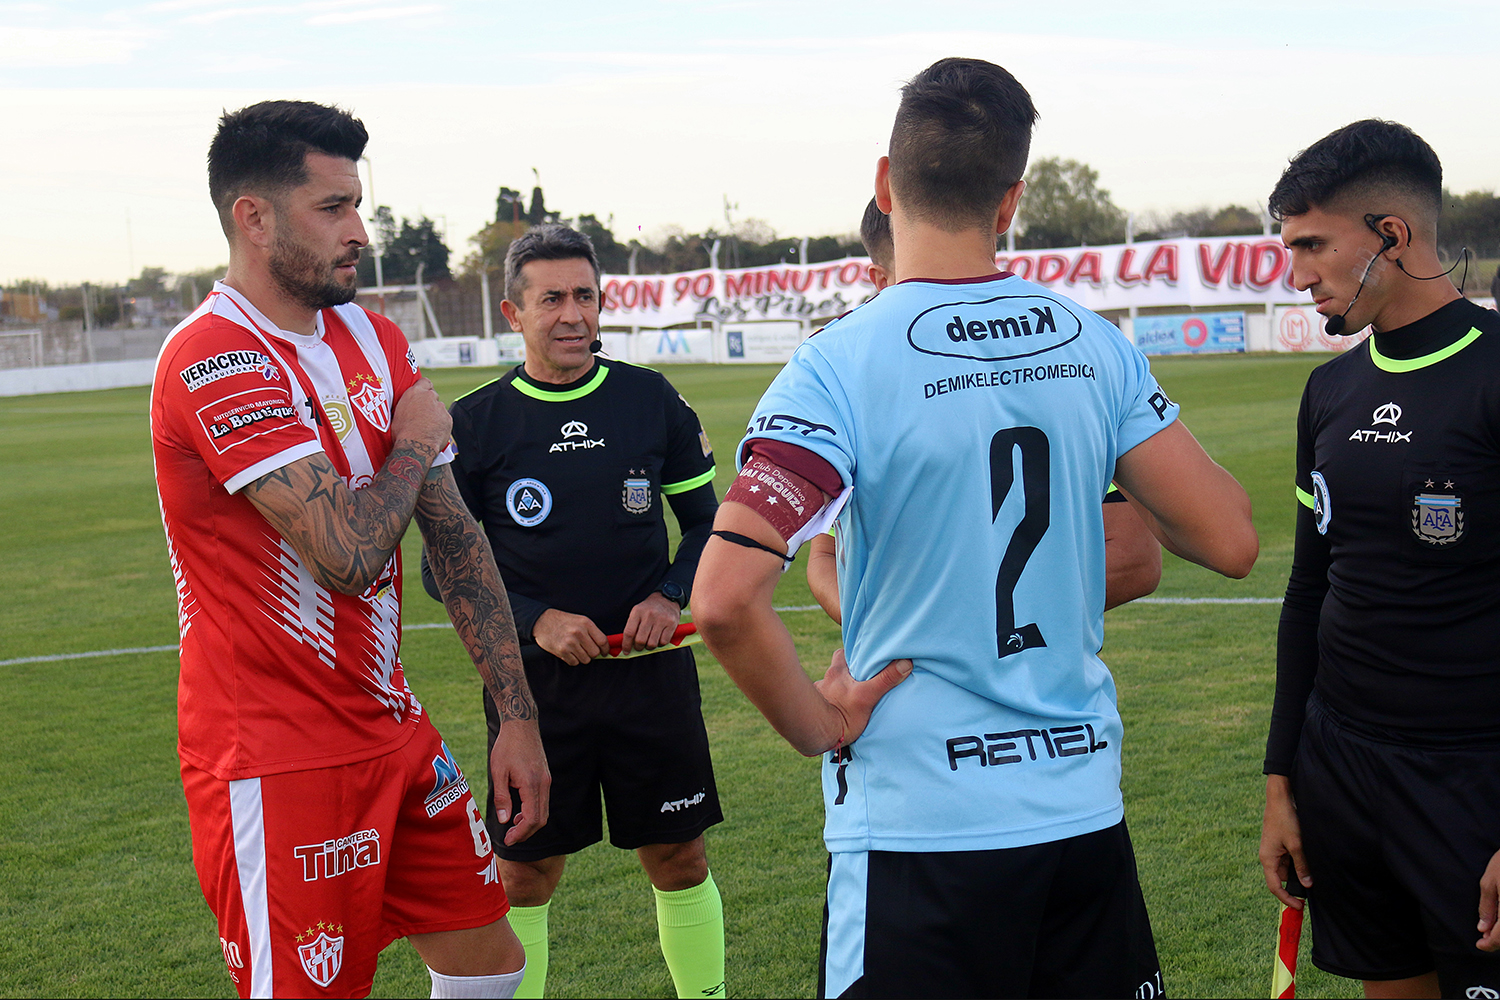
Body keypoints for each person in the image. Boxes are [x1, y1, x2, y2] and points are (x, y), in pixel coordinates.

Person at [693, 57, 1257, 999]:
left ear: (885, 181)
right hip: (1079, 816)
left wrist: (819, 723)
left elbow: (722, 600)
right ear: (1012, 200)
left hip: (921, 829)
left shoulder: (838, 366)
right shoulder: (1090, 339)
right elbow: (1230, 539)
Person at [150, 100, 547, 1000]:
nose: (359, 231)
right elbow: (347, 556)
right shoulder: (215, 358)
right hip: (274, 756)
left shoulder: (372, 336)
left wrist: (516, 715)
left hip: (392, 727)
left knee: (491, 969)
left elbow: (455, 540)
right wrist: (410, 443)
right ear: (253, 216)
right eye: (332, 208)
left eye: (357, 204)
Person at [420, 223, 725, 999]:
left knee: (679, 859)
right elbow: (439, 569)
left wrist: (669, 593)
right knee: (525, 875)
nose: (572, 314)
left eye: (585, 295)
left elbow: (708, 529)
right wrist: (536, 620)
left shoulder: (649, 400)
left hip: (649, 678)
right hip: (533, 691)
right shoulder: (476, 426)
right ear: (512, 312)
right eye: (550, 298)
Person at [1257, 119, 1500, 1000]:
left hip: (1473, 780)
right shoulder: (1330, 390)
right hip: (1344, 772)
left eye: (1313, 245)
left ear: (1391, 236)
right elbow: (1307, 592)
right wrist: (1283, 778)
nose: (1298, 273)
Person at [807, 198, 1161, 623]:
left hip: (1033, 671)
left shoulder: (1059, 357)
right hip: (910, 678)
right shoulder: (849, 369)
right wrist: (887, 638)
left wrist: (974, 631)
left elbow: (1135, 560)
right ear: (881, 280)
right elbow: (825, 556)